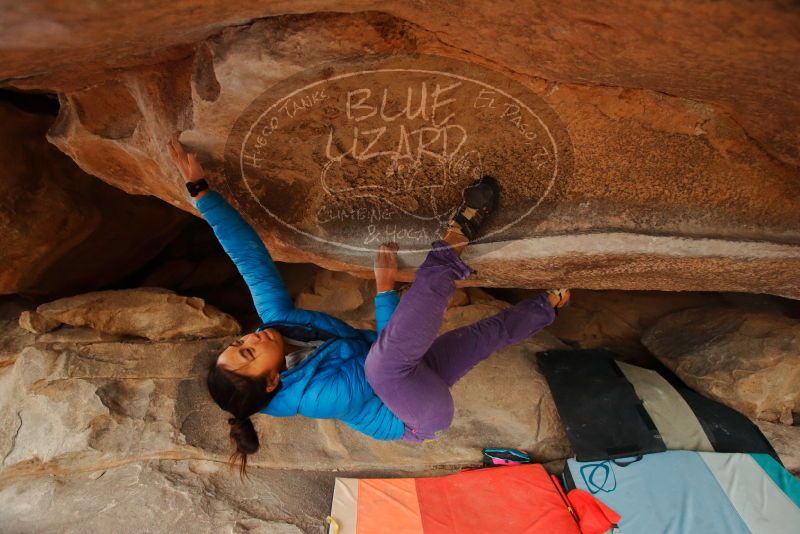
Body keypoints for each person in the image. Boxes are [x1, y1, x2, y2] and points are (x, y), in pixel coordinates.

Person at [167, 133, 570, 474]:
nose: (250, 338)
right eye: (249, 353)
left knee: (482, 337)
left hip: (403, 371)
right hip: (416, 416)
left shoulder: (278, 324)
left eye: (238, 343)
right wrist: (384, 291)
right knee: (382, 364)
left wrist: (202, 194)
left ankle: (549, 305)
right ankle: (454, 240)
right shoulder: (318, 398)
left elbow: (249, 260)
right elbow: (387, 350)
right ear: (272, 381)